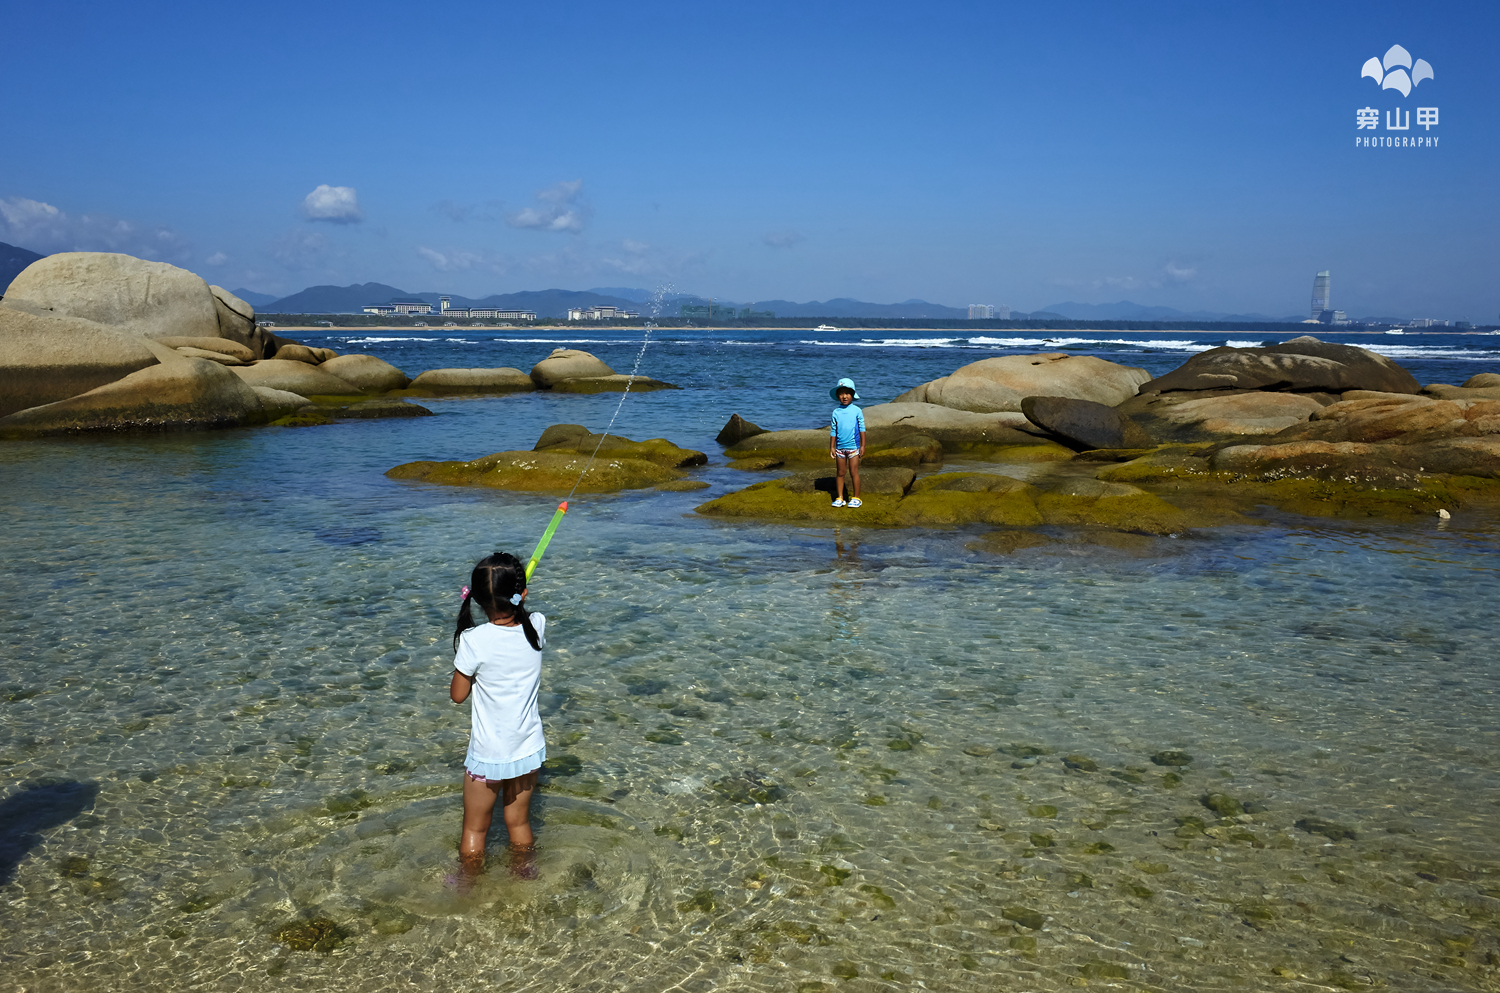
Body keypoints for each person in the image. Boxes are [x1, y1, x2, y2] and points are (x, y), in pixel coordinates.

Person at [450, 551, 546, 881]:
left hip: (489, 754)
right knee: (518, 823)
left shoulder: (473, 641)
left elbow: (458, 696)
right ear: (522, 592)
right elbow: (524, 617)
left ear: (474, 598)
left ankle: (467, 885)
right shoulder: (537, 626)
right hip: (528, 747)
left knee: (475, 828)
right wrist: (521, 598)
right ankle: (525, 875)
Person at [828, 377, 866, 508]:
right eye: (842, 393)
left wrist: (863, 446)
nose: (845, 396)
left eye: (848, 393)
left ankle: (856, 497)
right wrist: (832, 447)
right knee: (840, 472)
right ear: (838, 395)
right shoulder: (836, 412)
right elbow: (833, 430)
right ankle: (840, 498)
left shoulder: (857, 410)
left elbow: (862, 429)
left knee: (854, 472)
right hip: (840, 448)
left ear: (852, 395)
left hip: (854, 448)